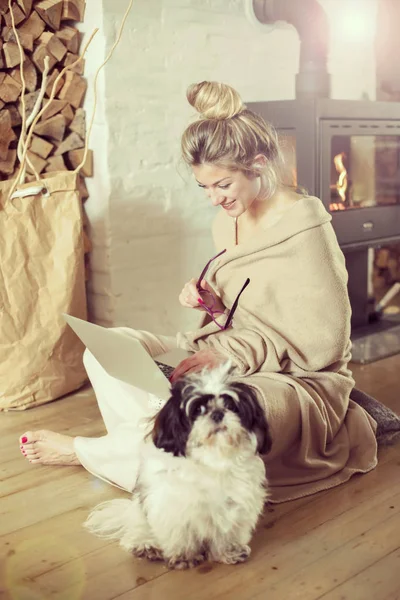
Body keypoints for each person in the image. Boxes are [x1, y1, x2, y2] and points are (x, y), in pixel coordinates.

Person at [19, 81, 378, 503]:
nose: (213, 199)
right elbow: (245, 310)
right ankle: (153, 443)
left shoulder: (304, 228)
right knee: (105, 349)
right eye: (203, 187)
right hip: (222, 353)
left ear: (259, 165)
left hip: (291, 381)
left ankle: (92, 452)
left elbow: (323, 343)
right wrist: (209, 299)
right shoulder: (226, 221)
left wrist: (231, 356)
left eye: (222, 185)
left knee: (221, 418)